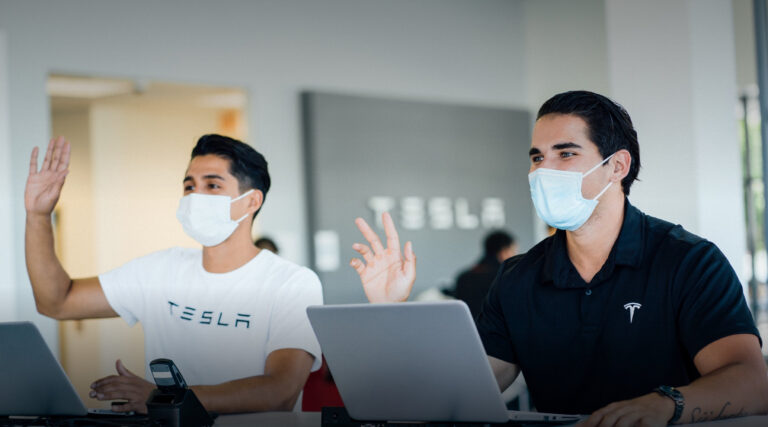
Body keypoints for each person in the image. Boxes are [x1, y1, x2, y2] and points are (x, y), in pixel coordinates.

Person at [348, 91, 768, 426]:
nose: (542, 171)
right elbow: (466, 386)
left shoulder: (689, 261)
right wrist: (392, 310)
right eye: (537, 157)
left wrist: (663, 406)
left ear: (616, 166)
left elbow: (752, 381)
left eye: (565, 154)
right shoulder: (518, 277)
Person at [25, 134, 322, 414]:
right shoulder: (161, 270)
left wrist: (164, 398)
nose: (195, 196)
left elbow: (280, 391)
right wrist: (38, 216)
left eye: (212, 186)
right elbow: (57, 302)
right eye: (189, 186)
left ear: (252, 201)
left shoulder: (292, 283)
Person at [453, 230, 516, 320]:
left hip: (466, 330)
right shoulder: (506, 277)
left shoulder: (464, 277)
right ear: (504, 251)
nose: (515, 255)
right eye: (513, 251)